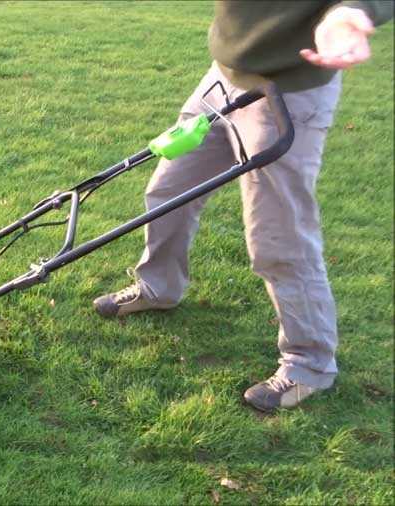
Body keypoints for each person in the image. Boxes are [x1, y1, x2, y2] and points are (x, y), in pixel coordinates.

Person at [92, 1, 393, 411]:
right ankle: (158, 287)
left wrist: (355, 11)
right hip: (223, 76)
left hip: (289, 93)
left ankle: (310, 364)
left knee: (278, 235)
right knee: (168, 192)